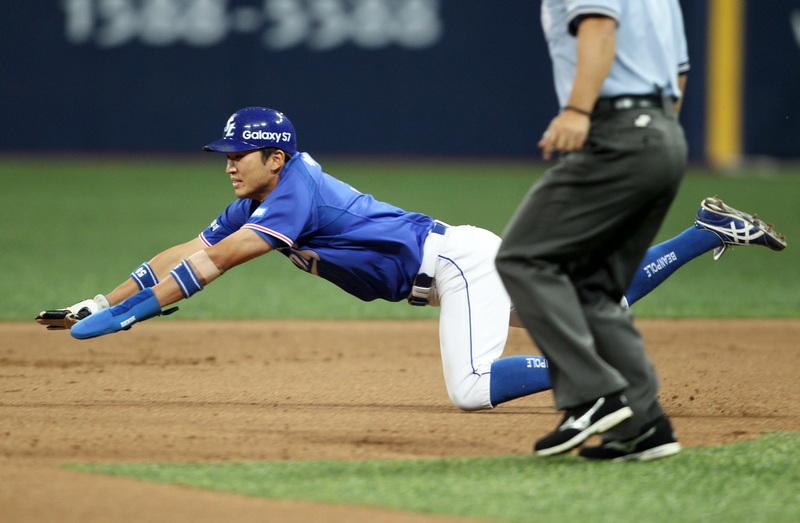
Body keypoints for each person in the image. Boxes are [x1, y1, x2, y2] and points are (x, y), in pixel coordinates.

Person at [36, 107, 785, 421]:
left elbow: (223, 262)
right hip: (461, 258)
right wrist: (99, 298)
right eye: (225, 155)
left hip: (459, 266)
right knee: (604, 298)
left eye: (241, 154)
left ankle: (594, 375)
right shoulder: (266, 196)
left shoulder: (293, 190)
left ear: (276, 155)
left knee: (468, 388)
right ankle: (705, 230)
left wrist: (140, 310)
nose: (229, 165)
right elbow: (191, 249)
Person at [495, 0, 695, 461]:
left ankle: (593, 395)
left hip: (617, 133)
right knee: (594, 288)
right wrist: (655, 141)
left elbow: (600, 26)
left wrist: (578, 111)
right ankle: (645, 427)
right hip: (663, 135)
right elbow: (679, 71)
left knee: (523, 257)